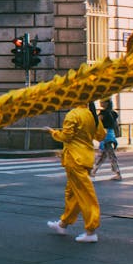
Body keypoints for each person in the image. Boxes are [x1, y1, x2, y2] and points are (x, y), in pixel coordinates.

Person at [45, 99, 105, 243]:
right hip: (86, 158)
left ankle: (91, 231)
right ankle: (63, 224)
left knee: (85, 194)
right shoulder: (91, 115)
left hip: (74, 159)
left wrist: (53, 133)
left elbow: (66, 136)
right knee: (73, 194)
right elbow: (100, 135)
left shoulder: (73, 115)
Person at [90, 99, 122, 180]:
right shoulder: (113, 113)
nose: (101, 102)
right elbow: (115, 125)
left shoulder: (103, 113)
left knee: (110, 155)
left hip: (105, 135)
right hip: (110, 135)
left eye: (103, 101)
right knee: (102, 155)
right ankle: (93, 171)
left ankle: (118, 173)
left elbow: (97, 123)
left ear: (107, 103)